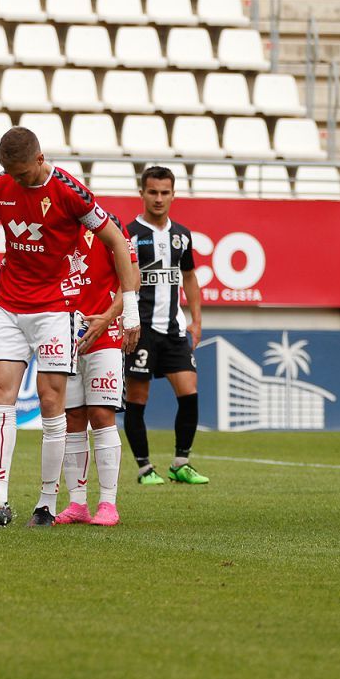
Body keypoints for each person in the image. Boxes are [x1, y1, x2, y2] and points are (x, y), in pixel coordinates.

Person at [0, 126, 140, 527]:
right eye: (12, 174)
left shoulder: (69, 192)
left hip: (53, 310)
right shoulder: (0, 187)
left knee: (50, 402)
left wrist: (129, 309)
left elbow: (115, 240)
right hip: (8, 304)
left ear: (41, 160)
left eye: (25, 174)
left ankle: (46, 503)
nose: (19, 182)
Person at [123, 166, 209, 486]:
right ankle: (145, 468)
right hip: (141, 329)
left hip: (174, 331)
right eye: (153, 192)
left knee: (189, 393)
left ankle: (180, 463)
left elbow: (188, 276)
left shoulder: (182, 235)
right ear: (142, 193)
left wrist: (196, 321)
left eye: (165, 193)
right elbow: (120, 281)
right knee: (137, 399)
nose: (159, 199)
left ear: (174, 194)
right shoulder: (129, 234)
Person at [55, 214, 140, 527]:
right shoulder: (51, 226)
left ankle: (108, 503)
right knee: (72, 418)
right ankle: (77, 503)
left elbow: (133, 275)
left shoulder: (108, 224)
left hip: (105, 333)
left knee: (102, 414)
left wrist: (107, 317)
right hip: (63, 334)